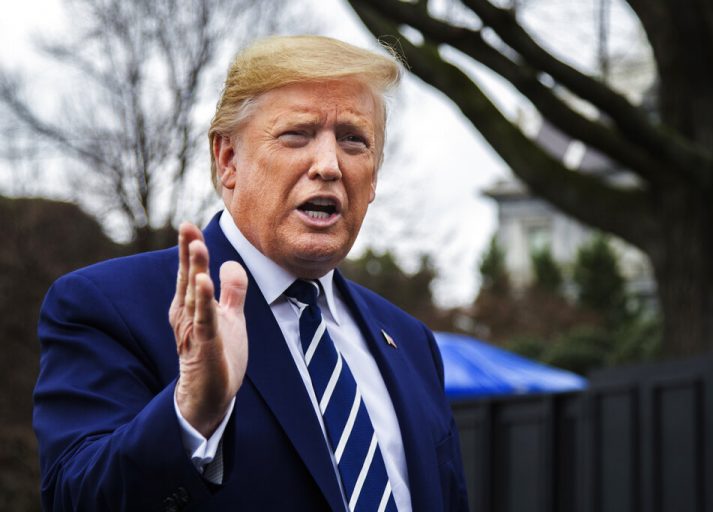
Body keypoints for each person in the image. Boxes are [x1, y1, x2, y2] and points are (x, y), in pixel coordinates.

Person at [33, 35, 468, 511]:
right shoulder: (108, 306)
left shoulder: (411, 342)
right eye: (296, 134)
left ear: (374, 178)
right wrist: (193, 413)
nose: (328, 165)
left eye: (353, 140)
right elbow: (76, 498)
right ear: (228, 160)